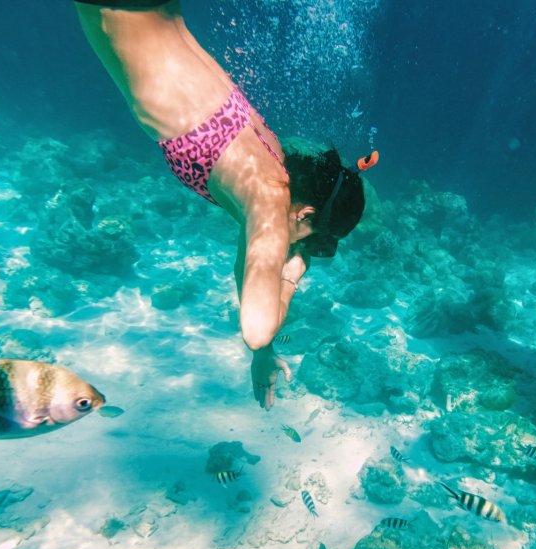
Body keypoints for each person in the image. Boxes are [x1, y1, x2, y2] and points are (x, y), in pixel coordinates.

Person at [73, 0, 374, 408]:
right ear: (306, 213)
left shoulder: (272, 168)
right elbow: (256, 328)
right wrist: (294, 273)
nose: (297, 248)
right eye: (314, 242)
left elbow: (248, 266)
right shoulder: (269, 198)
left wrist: (263, 357)